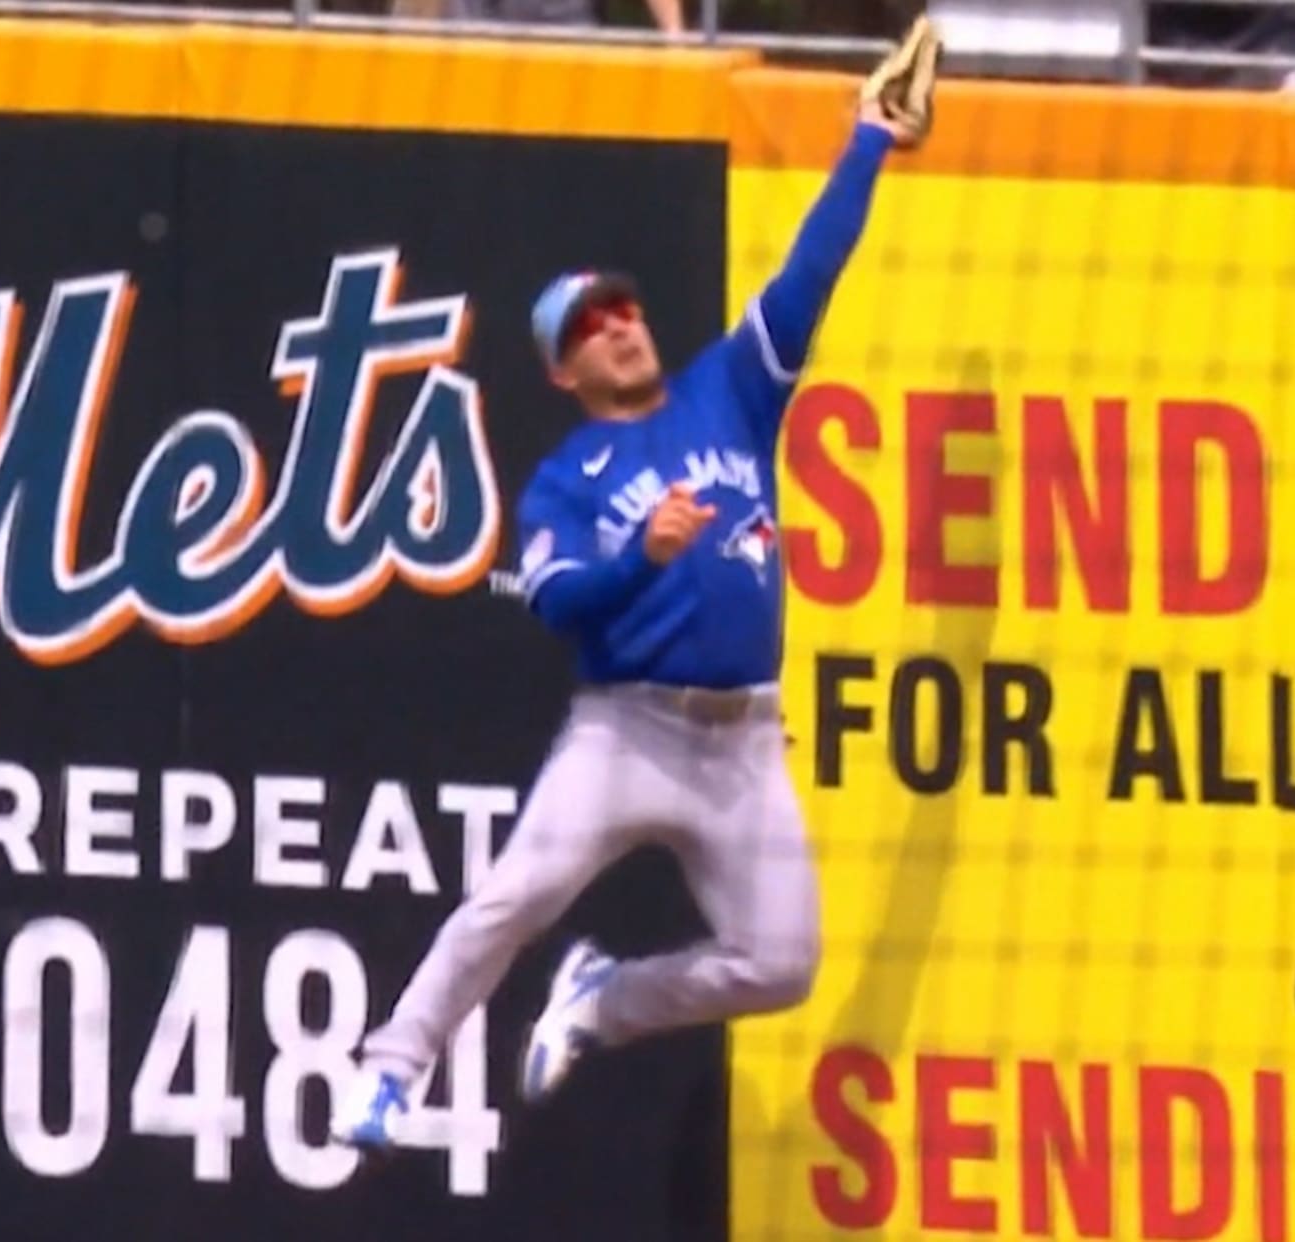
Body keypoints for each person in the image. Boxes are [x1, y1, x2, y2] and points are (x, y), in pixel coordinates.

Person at [329, 19, 941, 1152]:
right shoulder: (567, 480)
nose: (617, 326)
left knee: (783, 962)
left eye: (622, 308)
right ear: (565, 370)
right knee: (513, 896)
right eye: (589, 327)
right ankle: (389, 1067)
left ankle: (604, 998)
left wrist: (866, 141)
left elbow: (812, 269)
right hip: (629, 736)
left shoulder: (730, 395)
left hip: (744, 745)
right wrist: (638, 558)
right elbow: (560, 604)